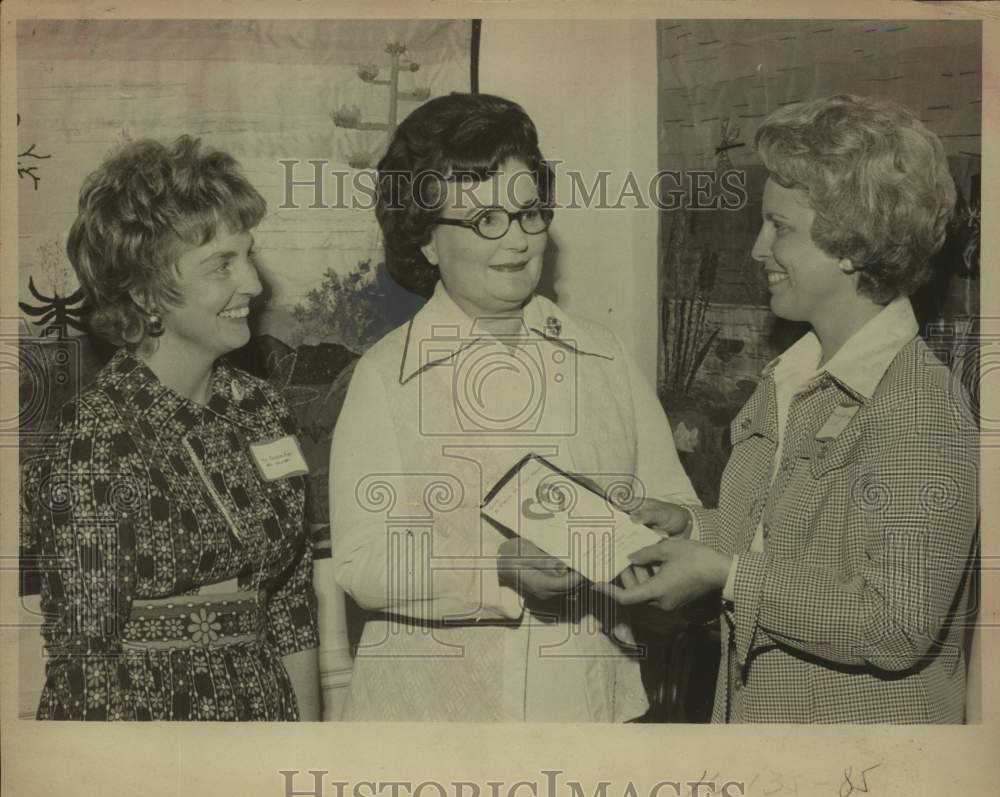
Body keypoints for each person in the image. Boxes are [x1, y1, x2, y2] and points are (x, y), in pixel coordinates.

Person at [607, 94, 979, 723]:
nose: (756, 248)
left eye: (780, 227)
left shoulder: (919, 411)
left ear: (850, 247)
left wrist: (725, 576)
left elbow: (897, 623)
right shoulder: (791, 379)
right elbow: (779, 541)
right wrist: (689, 528)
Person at [328, 92, 699, 721]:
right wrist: (495, 570)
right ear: (425, 241)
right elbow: (363, 560)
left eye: (529, 213)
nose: (518, 240)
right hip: (437, 719)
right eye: (484, 220)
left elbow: (683, 507)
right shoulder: (387, 374)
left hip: (591, 703)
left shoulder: (603, 356)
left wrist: (674, 525)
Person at [21, 135, 320, 720]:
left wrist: (308, 752)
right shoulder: (97, 439)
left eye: (249, 254)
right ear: (144, 290)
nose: (254, 284)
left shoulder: (262, 409)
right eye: (221, 265)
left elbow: (289, 604)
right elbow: (84, 659)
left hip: (266, 718)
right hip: (151, 730)